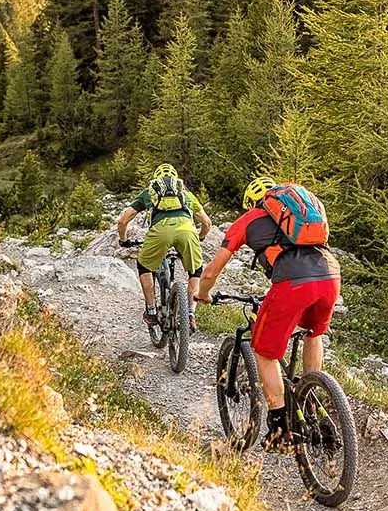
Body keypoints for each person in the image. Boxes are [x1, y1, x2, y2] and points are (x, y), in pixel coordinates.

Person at [194, 175, 341, 449]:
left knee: (264, 352)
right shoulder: (304, 214)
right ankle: (311, 394)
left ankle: (280, 430)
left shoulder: (249, 220)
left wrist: (202, 294)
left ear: (251, 203)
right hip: (330, 274)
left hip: (293, 282)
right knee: (313, 332)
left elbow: (212, 270)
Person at [114, 163, 211, 332]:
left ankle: (151, 311)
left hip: (160, 232)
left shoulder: (149, 193)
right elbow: (207, 223)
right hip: (187, 230)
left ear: (156, 179)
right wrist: (200, 236)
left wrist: (124, 240)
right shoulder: (186, 194)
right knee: (195, 270)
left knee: (144, 266)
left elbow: (123, 221)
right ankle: (190, 314)